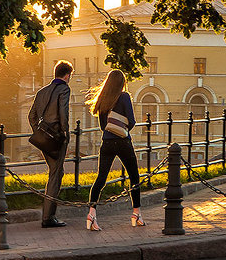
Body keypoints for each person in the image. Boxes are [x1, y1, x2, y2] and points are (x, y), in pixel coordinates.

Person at [85, 69, 145, 231]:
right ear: (121, 83)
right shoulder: (124, 97)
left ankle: (91, 214)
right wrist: (123, 129)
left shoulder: (102, 99)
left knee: (101, 178)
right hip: (123, 142)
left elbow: (103, 126)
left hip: (107, 143)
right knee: (134, 177)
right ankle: (136, 214)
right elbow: (132, 121)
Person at [28, 60, 73, 228]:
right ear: (67, 75)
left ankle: (49, 215)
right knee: (55, 174)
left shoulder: (42, 92)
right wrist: (65, 133)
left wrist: (39, 132)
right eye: (70, 76)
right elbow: (63, 113)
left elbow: (31, 116)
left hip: (44, 140)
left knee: (56, 172)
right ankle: (48, 218)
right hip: (57, 139)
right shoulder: (64, 89)